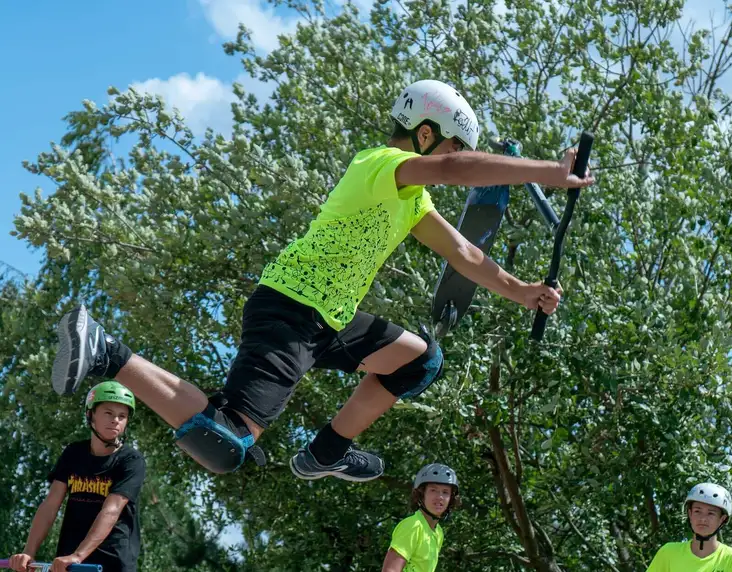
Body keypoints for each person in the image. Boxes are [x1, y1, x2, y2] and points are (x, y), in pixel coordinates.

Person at [49, 78, 593, 481]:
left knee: (419, 359)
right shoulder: (381, 165)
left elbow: (466, 255)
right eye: (452, 146)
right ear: (425, 135)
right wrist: (548, 170)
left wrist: (524, 293)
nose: (456, 160)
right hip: (290, 309)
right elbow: (457, 171)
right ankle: (107, 352)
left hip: (329, 320)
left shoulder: (412, 202)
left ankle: (328, 451)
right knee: (228, 443)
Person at [8, 382, 146, 572]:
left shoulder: (131, 461)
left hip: (111, 563)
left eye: (122, 416)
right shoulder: (73, 453)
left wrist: (78, 556)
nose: (115, 420)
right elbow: (51, 504)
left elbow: (111, 510)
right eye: (108, 413)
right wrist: (29, 552)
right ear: (90, 415)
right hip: (68, 562)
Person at [647, 482, 732, 572]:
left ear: (722, 519)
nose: (703, 519)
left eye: (711, 513)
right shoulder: (668, 553)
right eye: (697, 511)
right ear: (690, 514)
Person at [382, 463, 459, 572]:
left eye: (445, 492)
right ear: (421, 494)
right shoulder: (413, 526)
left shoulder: (438, 532)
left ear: (451, 498)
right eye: (433, 490)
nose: (440, 497)